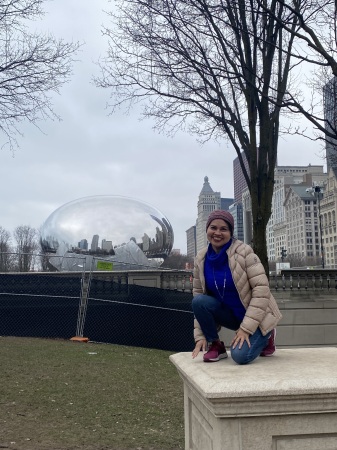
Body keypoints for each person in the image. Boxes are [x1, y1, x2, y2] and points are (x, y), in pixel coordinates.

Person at [192, 210, 282, 365]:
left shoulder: (244, 252)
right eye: (213, 227)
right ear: (207, 229)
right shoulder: (201, 258)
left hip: (258, 316)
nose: (217, 233)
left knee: (240, 356)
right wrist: (201, 337)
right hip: (231, 315)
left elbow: (262, 291)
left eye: (223, 229)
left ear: (231, 233)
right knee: (199, 301)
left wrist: (246, 330)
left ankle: (268, 334)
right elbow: (198, 296)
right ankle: (216, 345)